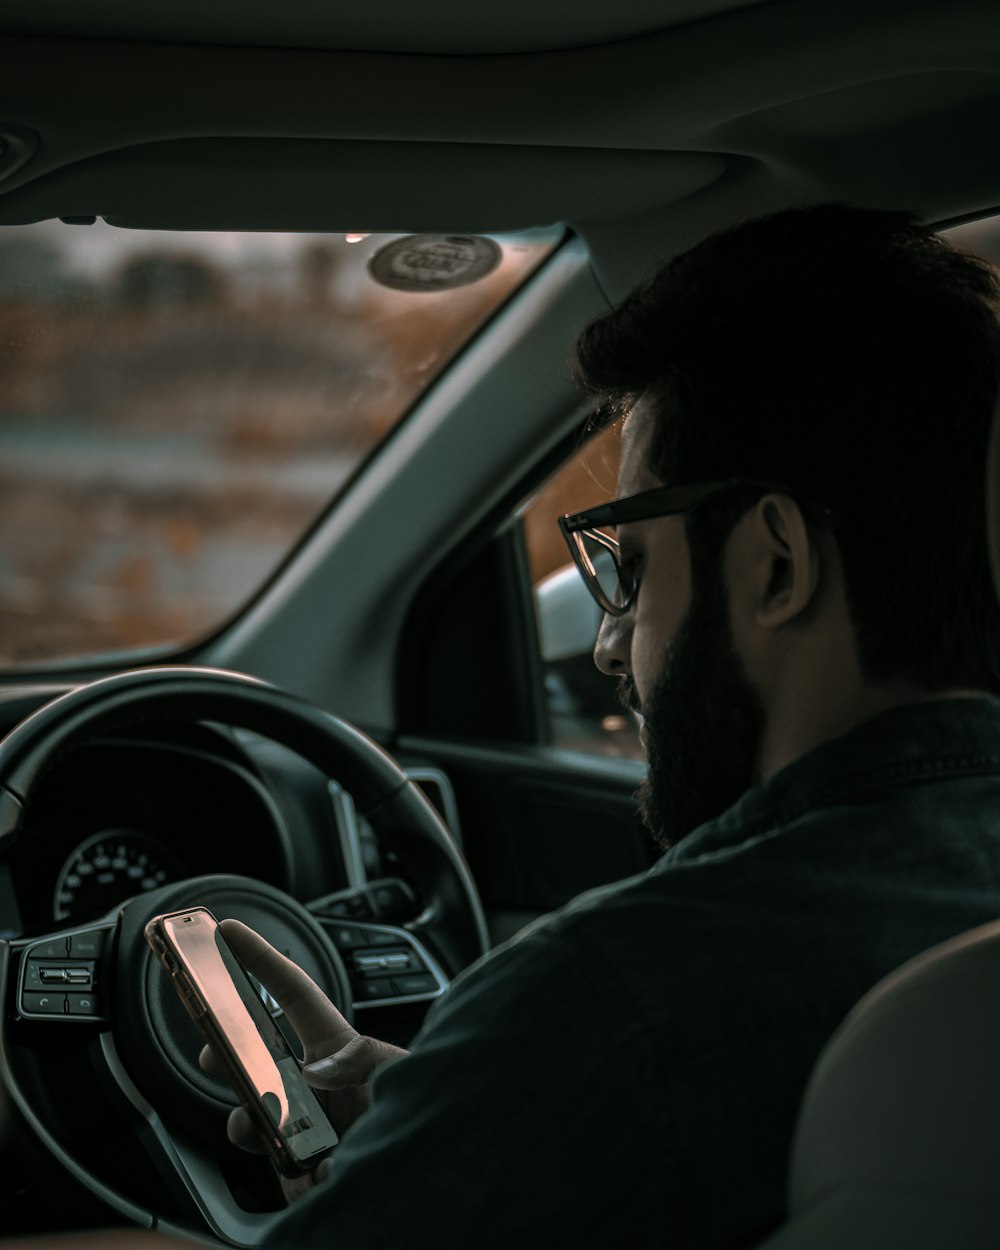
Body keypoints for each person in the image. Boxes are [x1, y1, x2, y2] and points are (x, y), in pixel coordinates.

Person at [14, 204, 1000, 1250]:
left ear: (774, 564)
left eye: (627, 569)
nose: (611, 647)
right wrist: (453, 1106)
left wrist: (508, 1069)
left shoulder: (616, 999)